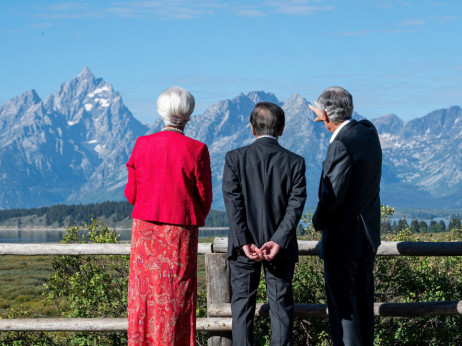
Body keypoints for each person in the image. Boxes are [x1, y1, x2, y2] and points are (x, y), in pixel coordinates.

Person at [124, 86, 213, 345]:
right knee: (177, 293)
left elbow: (132, 194)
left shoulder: (142, 144)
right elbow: (204, 198)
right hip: (179, 233)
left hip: (145, 229)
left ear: (161, 111)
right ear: (188, 115)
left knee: (144, 294)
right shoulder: (196, 149)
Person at [222, 102, 307, 345]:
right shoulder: (296, 162)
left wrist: (245, 240)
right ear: (282, 129)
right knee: (281, 309)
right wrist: (279, 240)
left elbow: (233, 203)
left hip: (243, 249)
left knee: (242, 308)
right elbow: (296, 205)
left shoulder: (234, 158)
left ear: (251, 128)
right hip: (280, 249)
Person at [309, 87, 382, 345]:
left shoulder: (340, 143)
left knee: (344, 312)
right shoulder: (368, 132)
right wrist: (326, 113)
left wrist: (317, 221)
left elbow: (332, 195)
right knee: (364, 305)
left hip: (343, 239)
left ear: (327, 115)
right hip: (368, 236)